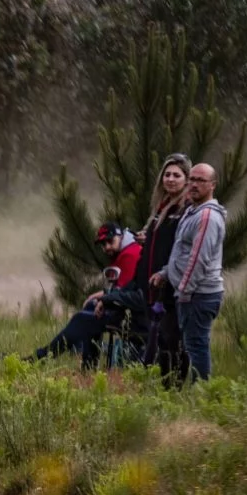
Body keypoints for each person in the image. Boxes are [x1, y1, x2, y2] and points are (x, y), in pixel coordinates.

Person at [101, 153, 191, 385]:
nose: (170, 179)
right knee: (161, 338)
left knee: (173, 339)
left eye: (176, 175)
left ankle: (176, 386)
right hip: (150, 285)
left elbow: (179, 250)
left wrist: (165, 274)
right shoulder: (161, 209)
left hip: (170, 284)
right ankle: (164, 385)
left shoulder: (185, 211)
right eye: (167, 175)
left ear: (186, 179)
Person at [26, 223, 141, 368]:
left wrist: (105, 299)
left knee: (81, 319)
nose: (106, 247)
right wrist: (102, 296)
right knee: (90, 307)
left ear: (121, 236)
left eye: (110, 241)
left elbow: (126, 292)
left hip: (134, 315)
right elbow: (123, 288)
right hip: (128, 309)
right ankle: (88, 366)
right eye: (103, 244)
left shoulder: (130, 254)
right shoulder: (126, 251)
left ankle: (42, 357)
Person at [151, 162, 225, 381]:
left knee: (196, 346)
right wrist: (165, 273)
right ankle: (194, 390)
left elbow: (198, 259)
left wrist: (184, 290)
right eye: (191, 179)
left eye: (200, 180)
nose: (193, 184)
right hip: (191, 292)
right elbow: (180, 253)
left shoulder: (207, 217)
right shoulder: (193, 212)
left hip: (199, 294)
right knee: (191, 345)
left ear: (213, 185)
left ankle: (202, 394)